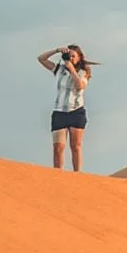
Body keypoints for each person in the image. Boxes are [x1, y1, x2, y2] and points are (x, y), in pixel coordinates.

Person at [37, 43, 97, 171]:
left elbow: (80, 86)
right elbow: (41, 59)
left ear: (79, 57)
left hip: (76, 112)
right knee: (58, 148)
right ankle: (58, 175)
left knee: (75, 146)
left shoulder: (83, 72)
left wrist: (72, 69)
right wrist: (57, 50)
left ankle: (77, 174)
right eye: (68, 56)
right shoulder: (59, 69)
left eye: (73, 56)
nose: (70, 58)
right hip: (60, 112)